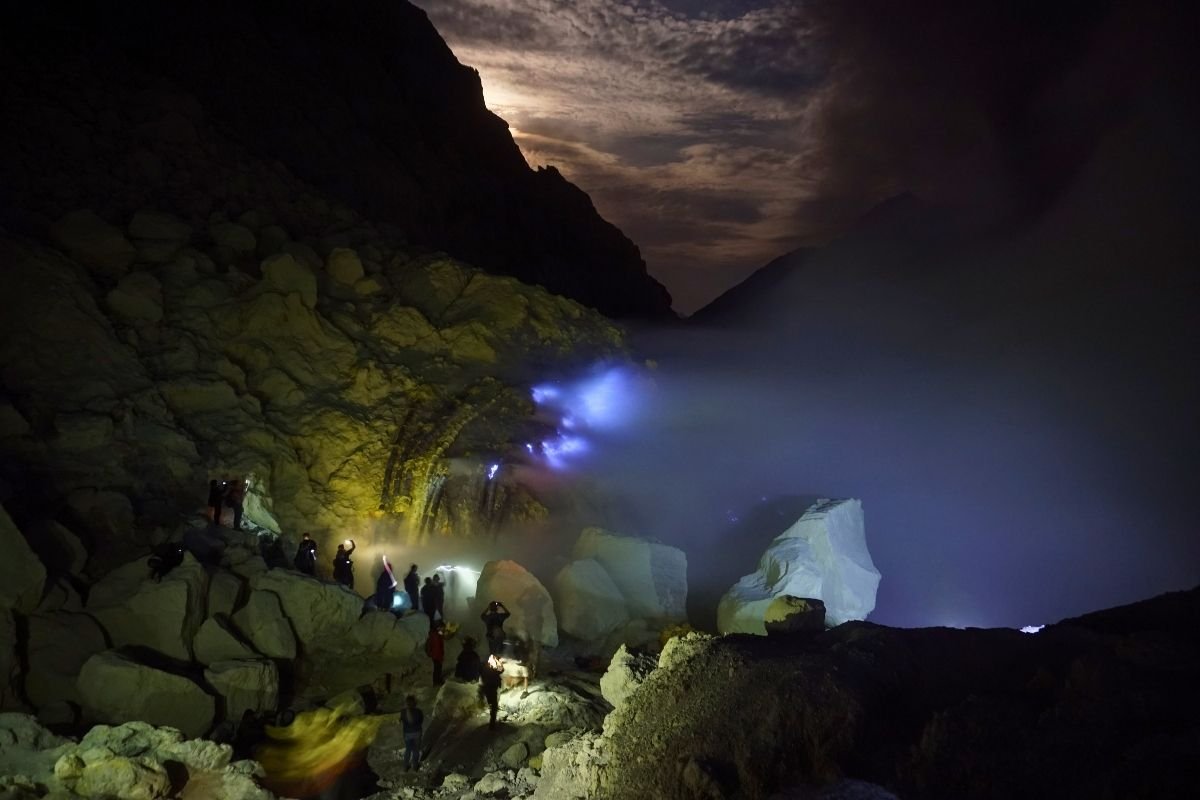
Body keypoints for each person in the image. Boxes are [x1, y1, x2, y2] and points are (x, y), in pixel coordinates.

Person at [400, 695, 424, 772]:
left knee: (408, 750)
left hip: (407, 734)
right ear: (415, 703)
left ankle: (405, 767)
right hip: (417, 732)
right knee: (416, 750)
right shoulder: (419, 711)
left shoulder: (403, 712)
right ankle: (415, 767)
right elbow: (421, 721)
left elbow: (401, 720)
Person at [480, 654, 504, 730]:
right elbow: (501, 669)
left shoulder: (484, 669)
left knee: (491, 703)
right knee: (494, 706)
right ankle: (492, 724)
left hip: (486, 689)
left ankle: (492, 721)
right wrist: (497, 661)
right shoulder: (493, 671)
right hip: (492, 689)